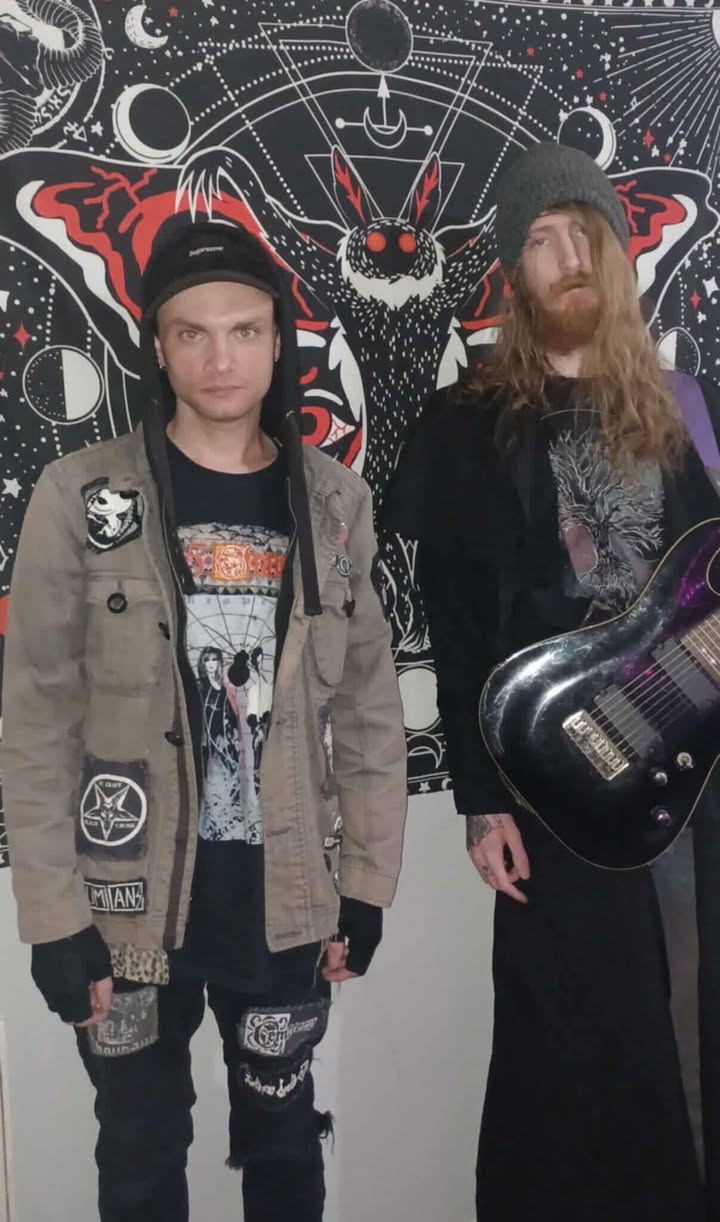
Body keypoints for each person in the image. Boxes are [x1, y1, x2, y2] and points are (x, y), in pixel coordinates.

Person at [2, 219, 408, 1222]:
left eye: (243, 330)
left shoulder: (336, 504)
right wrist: (53, 920)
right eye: (192, 332)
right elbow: (36, 718)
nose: (220, 357)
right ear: (159, 344)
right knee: (141, 1152)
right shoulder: (81, 496)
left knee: (285, 1145)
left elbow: (368, 711)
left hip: (286, 907)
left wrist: (365, 885)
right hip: (127, 906)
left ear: (277, 342)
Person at [384, 142, 720, 1221]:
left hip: (698, 777)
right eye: (541, 238)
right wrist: (482, 801)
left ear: (616, 254)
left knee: (694, 1024)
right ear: (513, 273)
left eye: (585, 232)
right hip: (553, 788)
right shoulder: (468, 424)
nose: (568, 255)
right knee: (568, 1046)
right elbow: (456, 628)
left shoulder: (684, 406)